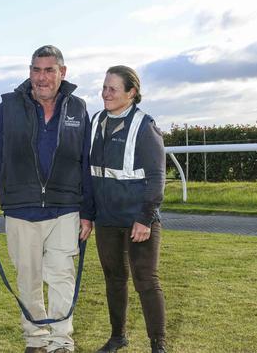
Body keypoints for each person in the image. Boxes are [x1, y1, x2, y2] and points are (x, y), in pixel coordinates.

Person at [0, 45, 93, 353]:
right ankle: (36, 341)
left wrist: (88, 211)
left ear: (63, 72)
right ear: (29, 71)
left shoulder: (79, 109)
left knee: (61, 277)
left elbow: (86, 163)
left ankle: (62, 344)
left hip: (65, 208)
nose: (41, 77)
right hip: (21, 210)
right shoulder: (9, 107)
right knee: (29, 279)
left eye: (49, 70)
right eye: (36, 69)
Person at [86, 65, 167, 353]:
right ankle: (117, 337)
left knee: (145, 280)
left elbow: (157, 177)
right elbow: (89, 173)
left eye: (112, 89)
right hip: (107, 220)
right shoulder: (95, 122)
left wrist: (145, 218)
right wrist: (87, 214)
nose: (105, 93)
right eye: (104, 87)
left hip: (139, 221)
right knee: (114, 279)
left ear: (131, 93)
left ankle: (158, 344)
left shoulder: (145, 125)